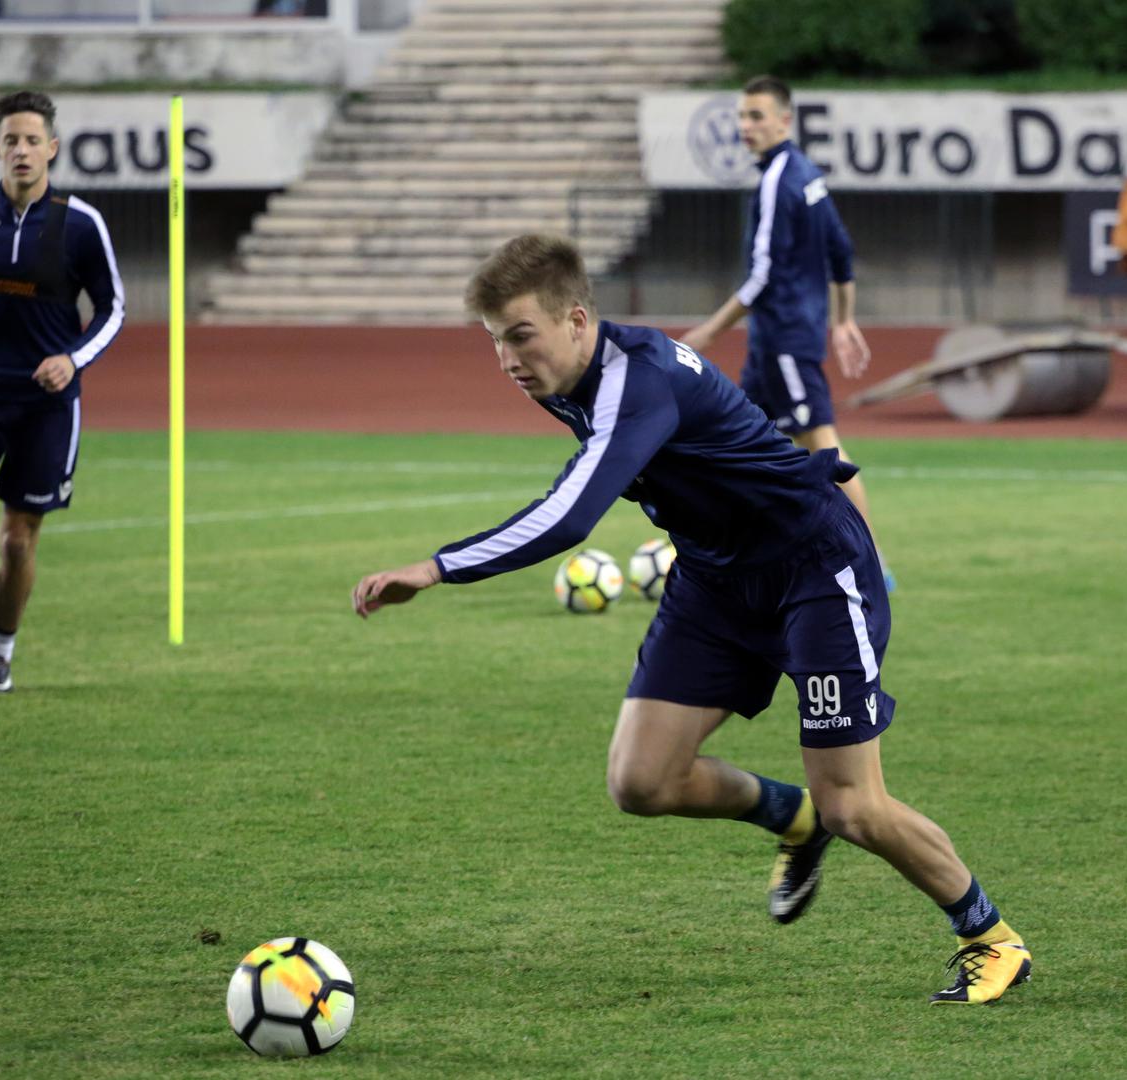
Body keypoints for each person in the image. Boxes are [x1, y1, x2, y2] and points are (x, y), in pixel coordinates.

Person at [351, 235, 1030, 1004]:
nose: (507, 360)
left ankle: (988, 936)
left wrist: (437, 567)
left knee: (854, 805)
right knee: (641, 780)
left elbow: (571, 514)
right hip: (713, 581)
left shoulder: (638, 381)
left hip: (813, 570)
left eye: (520, 335)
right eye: (495, 341)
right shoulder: (563, 376)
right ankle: (793, 818)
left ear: (576, 320)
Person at [0, 90, 125, 692]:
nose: (22, 150)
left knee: (17, 540)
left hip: (46, 407)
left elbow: (113, 309)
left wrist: (73, 359)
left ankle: (2, 650)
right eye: (11, 140)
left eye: (33, 140)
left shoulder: (81, 224)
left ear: (52, 148)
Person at [679, 75, 892, 590]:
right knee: (739, 445)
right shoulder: (807, 173)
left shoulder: (778, 179)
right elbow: (841, 251)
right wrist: (843, 319)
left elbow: (763, 275)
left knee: (822, 446)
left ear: (784, 120)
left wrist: (708, 332)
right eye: (741, 116)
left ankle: (872, 562)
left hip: (784, 343)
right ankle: (729, 558)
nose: (745, 126)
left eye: (756, 116)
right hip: (777, 344)